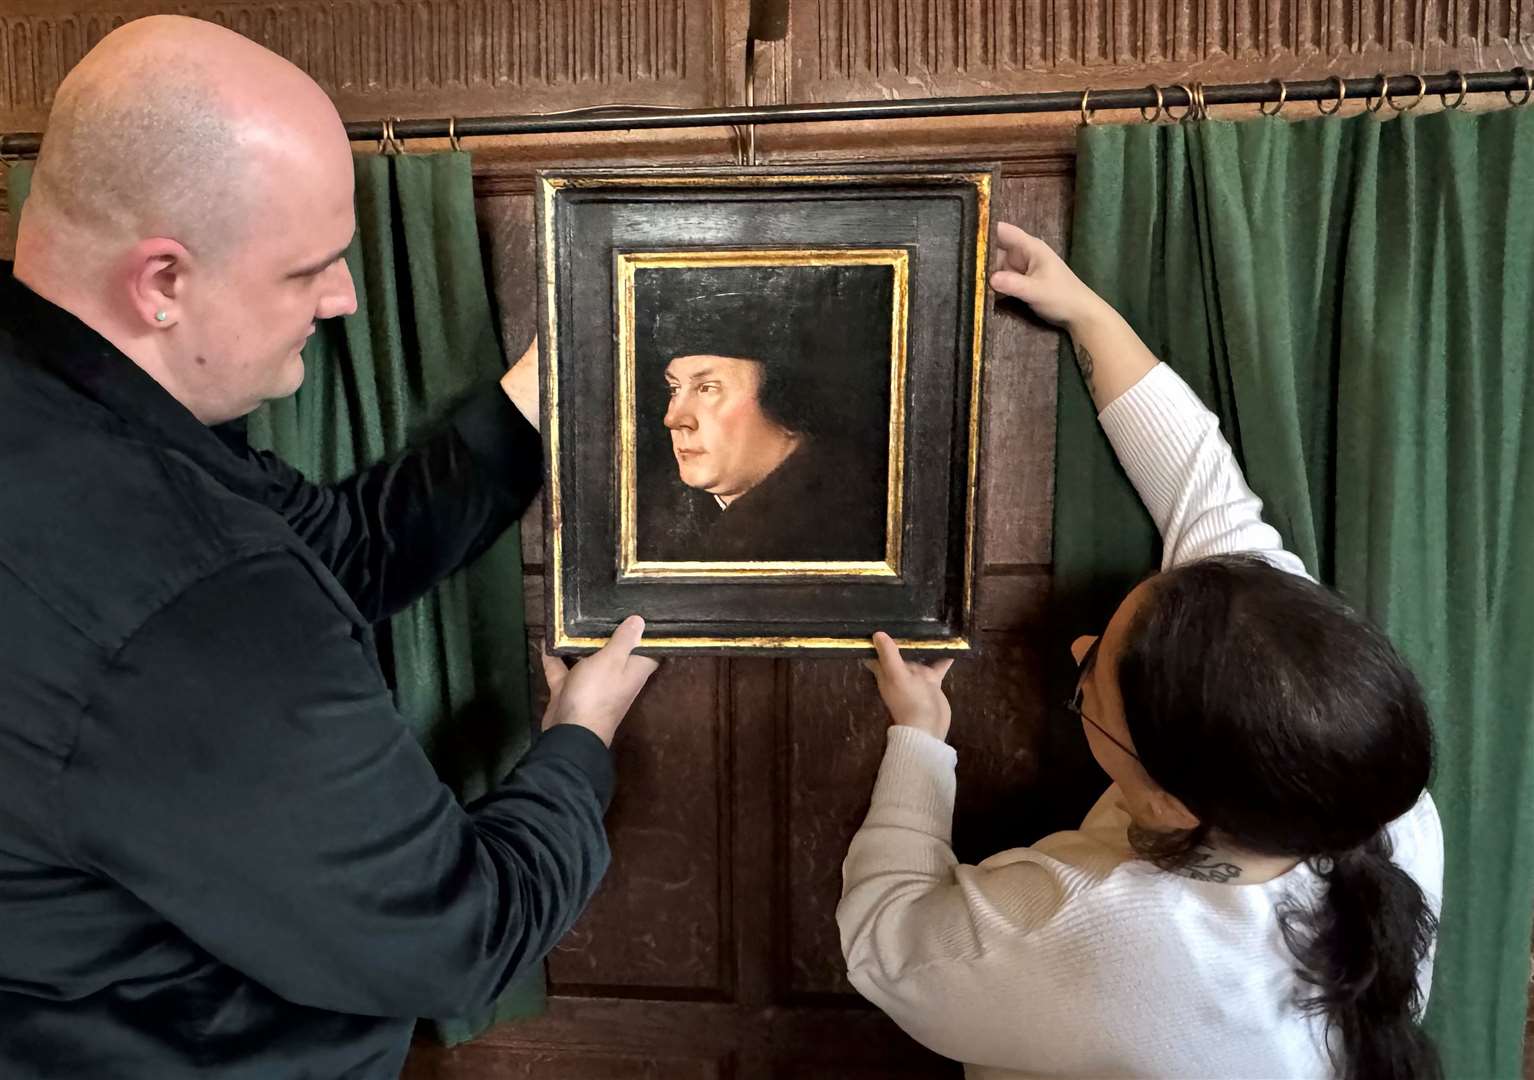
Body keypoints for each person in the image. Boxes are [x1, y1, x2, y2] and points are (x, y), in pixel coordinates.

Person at [0, 16, 656, 1079]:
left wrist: (532, 398)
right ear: (160, 282)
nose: (344, 298)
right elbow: (458, 943)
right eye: (308, 270)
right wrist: (578, 742)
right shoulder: (200, 608)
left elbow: (342, 546)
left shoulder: (85, 399)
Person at [842, 223, 1444, 1079]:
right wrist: (1088, 315)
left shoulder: (1105, 933)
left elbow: (885, 945)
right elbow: (1205, 487)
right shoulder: (1373, 791)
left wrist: (917, 739)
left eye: (1090, 681)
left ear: (1162, 804)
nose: (1080, 643)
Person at [637, 274, 889, 563]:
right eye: (674, 389)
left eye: (707, 388)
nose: (673, 418)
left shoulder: (849, 529)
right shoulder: (654, 524)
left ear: (781, 398)